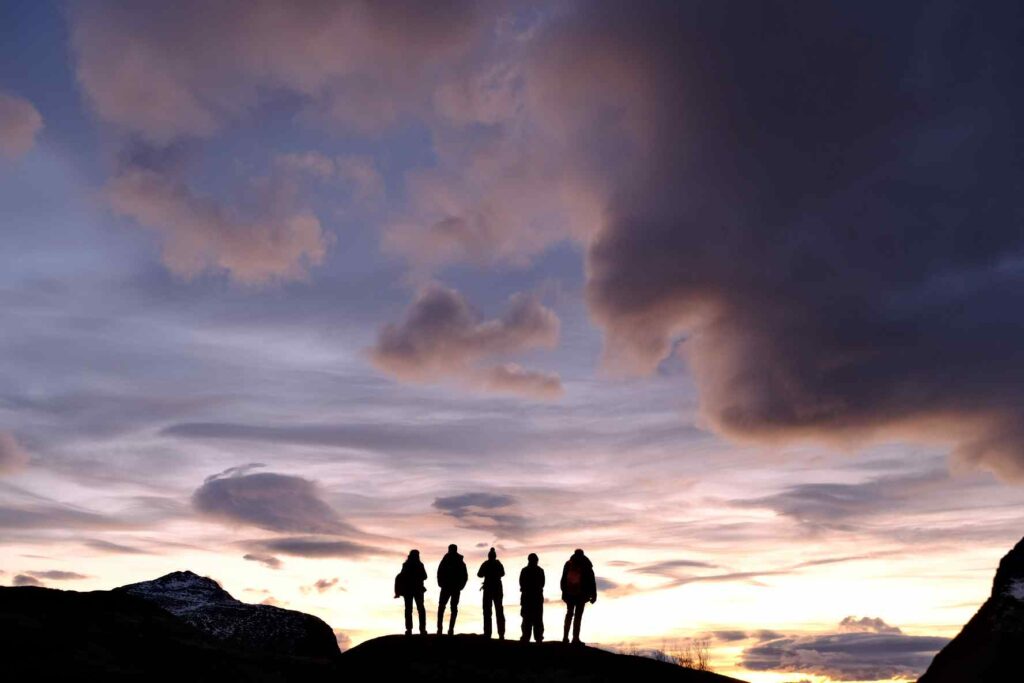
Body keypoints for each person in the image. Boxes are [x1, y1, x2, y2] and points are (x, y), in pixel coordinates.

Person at [560, 548, 596, 645]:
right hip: (581, 594)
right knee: (578, 616)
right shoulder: (586, 564)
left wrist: (564, 592)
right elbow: (592, 580)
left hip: (570, 594)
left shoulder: (568, 564)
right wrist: (594, 595)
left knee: (569, 614)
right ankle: (575, 638)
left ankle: (565, 638)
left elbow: (563, 579)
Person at [436, 543, 468, 635]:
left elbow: (465, 576)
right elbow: (439, 572)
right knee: (444, 607)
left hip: (452, 587)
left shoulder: (456, 561)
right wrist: (440, 583)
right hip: (448, 587)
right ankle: (442, 629)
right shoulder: (446, 560)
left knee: (448, 608)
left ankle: (449, 629)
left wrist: (461, 586)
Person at [395, 549, 428, 635]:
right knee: (420, 609)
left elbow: (401, 577)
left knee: (409, 610)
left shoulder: (406, 565)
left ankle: (409, 629)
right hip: (417, 590)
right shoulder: (419, 565)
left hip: (408, 590)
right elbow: (425, 576)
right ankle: (422, 629)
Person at [477, 547, 505, 639]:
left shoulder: (486, 563)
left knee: (488, 612)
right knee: (498, 611)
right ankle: (501, 634)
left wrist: (487, 573)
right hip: (496, 588)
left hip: (489, 588)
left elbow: (479, 574)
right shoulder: (498, 563)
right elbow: (502, 573)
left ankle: (488, 633)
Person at [519, 553, 545, 642]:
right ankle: (537, 637)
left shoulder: (524, 570)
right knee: (536, 619)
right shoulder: (540, 571)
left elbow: (521, 583)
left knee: (528, 619)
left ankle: (527, 637)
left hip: (528, 597)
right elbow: (542, 583)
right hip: (535, 598)